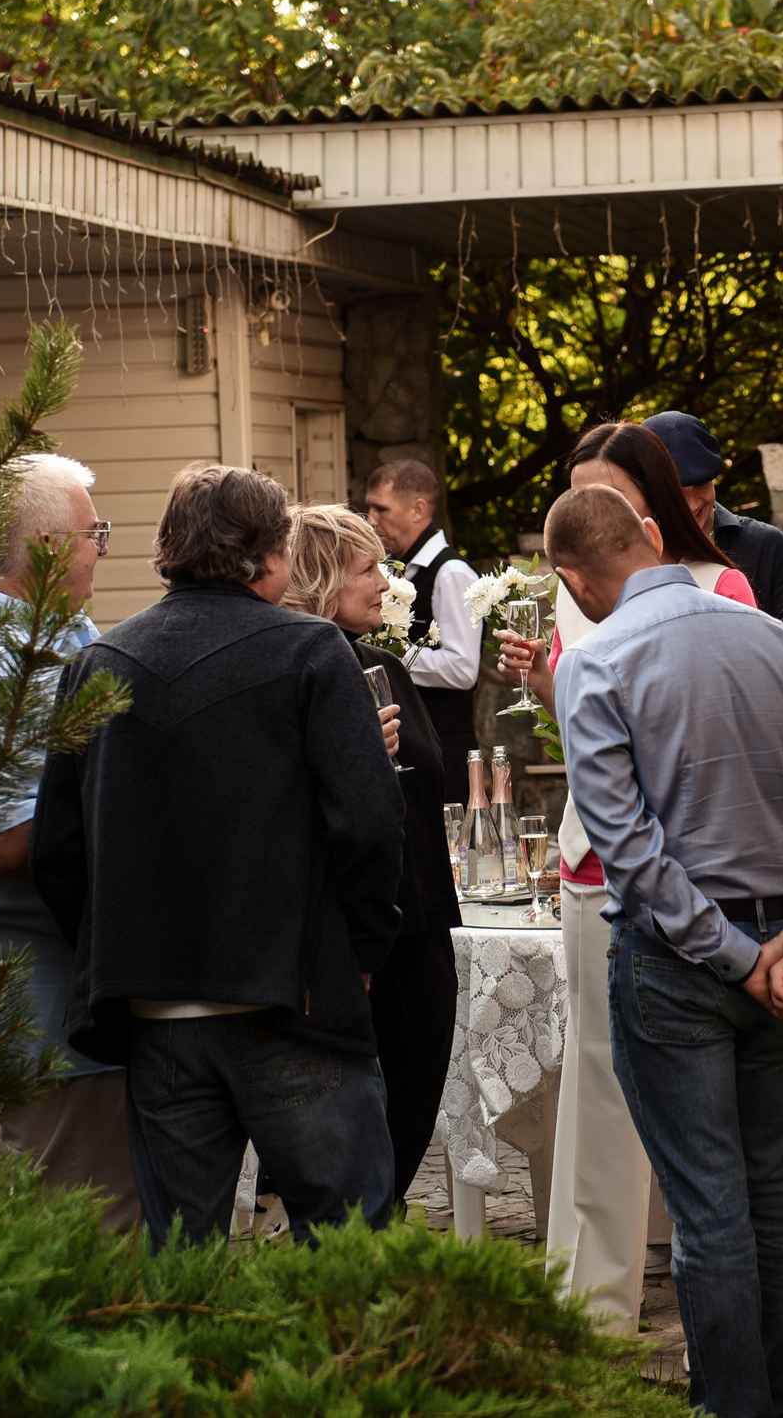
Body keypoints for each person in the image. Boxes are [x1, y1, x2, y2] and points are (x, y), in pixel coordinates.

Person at [547, 482, 783, 1418]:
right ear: (650, 535)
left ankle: (732, 1404)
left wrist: (731, 954)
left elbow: (627, 847)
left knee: (708, 1202)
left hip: (680, 960)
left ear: (573, 577)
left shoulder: (594, 660)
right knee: (773, 1184)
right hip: (782, 946)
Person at [32, 462, 406, 1248]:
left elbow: (59, 853)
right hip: (292, 1004)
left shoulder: (100, 663)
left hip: (157, 1014)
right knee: (349, 1257)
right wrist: (359, 953)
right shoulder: (312, 652)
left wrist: (124, 958)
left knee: (180, 1270)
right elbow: (370, 824)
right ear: (269, 556)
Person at [495, 420, 759, 1332]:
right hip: (590, 861)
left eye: (608, 489)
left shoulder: (723, 585)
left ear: (652, 499)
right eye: (578, 493)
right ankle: (593, 1301)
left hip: (692, 867)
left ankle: (717, 1301)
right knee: (595, 1082)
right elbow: (587, 724)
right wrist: (543, 681)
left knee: (706, 1100)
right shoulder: (576, 593)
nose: (592, 509)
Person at [0, 453, 136, 1227]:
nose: (101, 549)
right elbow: (2, 837)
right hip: (45, 994)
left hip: (48, 982)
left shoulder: (37, 631)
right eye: (93, 533)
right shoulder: (8, 652)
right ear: (45, 544)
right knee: (92, 1216)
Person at [279, 503, 462, 1207]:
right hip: (348, 924)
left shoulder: (385, 664)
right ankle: (353, 1236)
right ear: (321, 574)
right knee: (350, 1109)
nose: (386, 581)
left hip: (419, 913)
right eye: (369, 566)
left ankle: (375, 1220)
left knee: (416, 1090)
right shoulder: (293, 670)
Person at [365, 459, 482, 804]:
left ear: (418, 510)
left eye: (381, 508)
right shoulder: (397, 568)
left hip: (445, 750)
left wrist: (389, 655)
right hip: (412, 747)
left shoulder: (451, 573)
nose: (371, 519)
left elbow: (463, 669)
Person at [643, 409, 783, 617]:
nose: (691, 504)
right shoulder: (632, 553)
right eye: (675, 493)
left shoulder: (769, 548)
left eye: (700, 485)